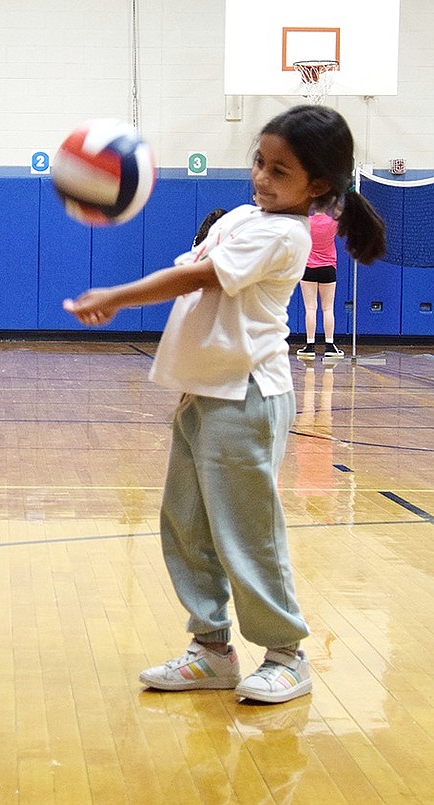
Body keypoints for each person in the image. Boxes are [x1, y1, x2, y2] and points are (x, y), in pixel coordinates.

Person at [63, 105, 385, 704]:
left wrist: (116, 296)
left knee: (247, 533)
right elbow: (189, 270)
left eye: (280, 170)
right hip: (203, 395)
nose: (261, 177)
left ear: (317, 184)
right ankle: (210, 649)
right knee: (185, 526)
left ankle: (286, 656)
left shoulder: (284, 234)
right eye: (259, 162)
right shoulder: (240, 216)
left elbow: (196, 280)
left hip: (247, 398)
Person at [296, 212, 343, 359]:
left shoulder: (306, 222)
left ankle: (310, 347)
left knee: (310, 308)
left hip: (308, 268)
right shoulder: (333, 222)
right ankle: (329, 346)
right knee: (328, 308)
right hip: (328, 268)